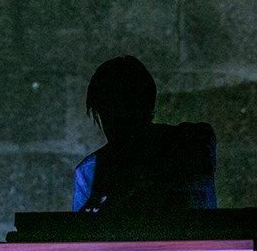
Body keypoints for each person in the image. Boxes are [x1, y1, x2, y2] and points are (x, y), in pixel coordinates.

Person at [73, 56, 217, 213]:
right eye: (109, 110)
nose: (117, 121)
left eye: (125, 107)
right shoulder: (89, 170)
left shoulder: (190, 141)